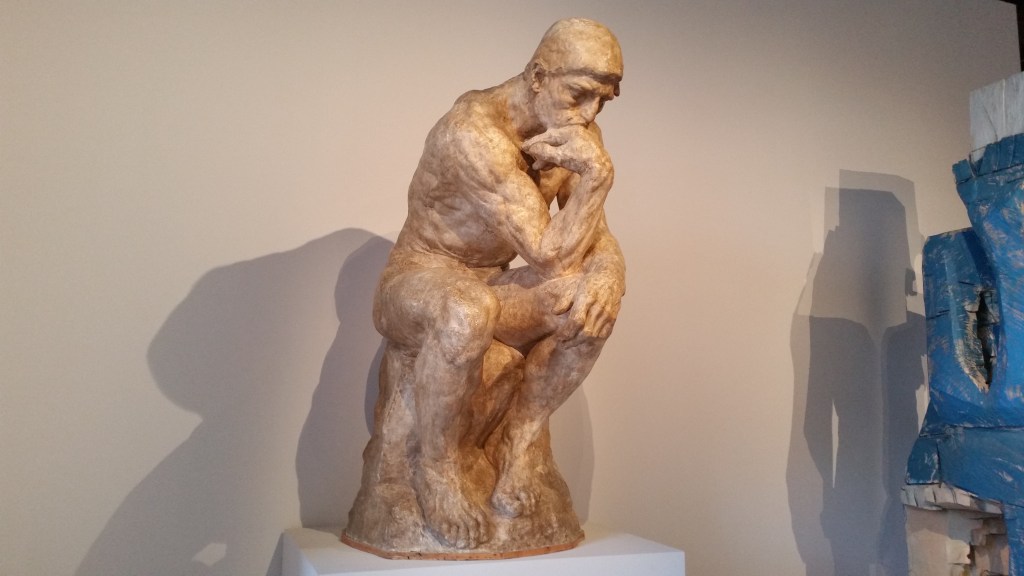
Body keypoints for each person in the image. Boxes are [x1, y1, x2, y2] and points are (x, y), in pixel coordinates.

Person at [372, 17, 625, 550]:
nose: (589, 114)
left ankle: (519, 441)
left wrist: (609, 274)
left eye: (603, 101)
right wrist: (599, 178)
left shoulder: (576, 136)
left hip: (495, 285)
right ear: (538, 76)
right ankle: (436, 469)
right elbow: (549, 252)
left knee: (586, 303)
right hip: (418, 277)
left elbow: (595, 240)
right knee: (467, 311)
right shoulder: (473, 133)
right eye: (579, 94)